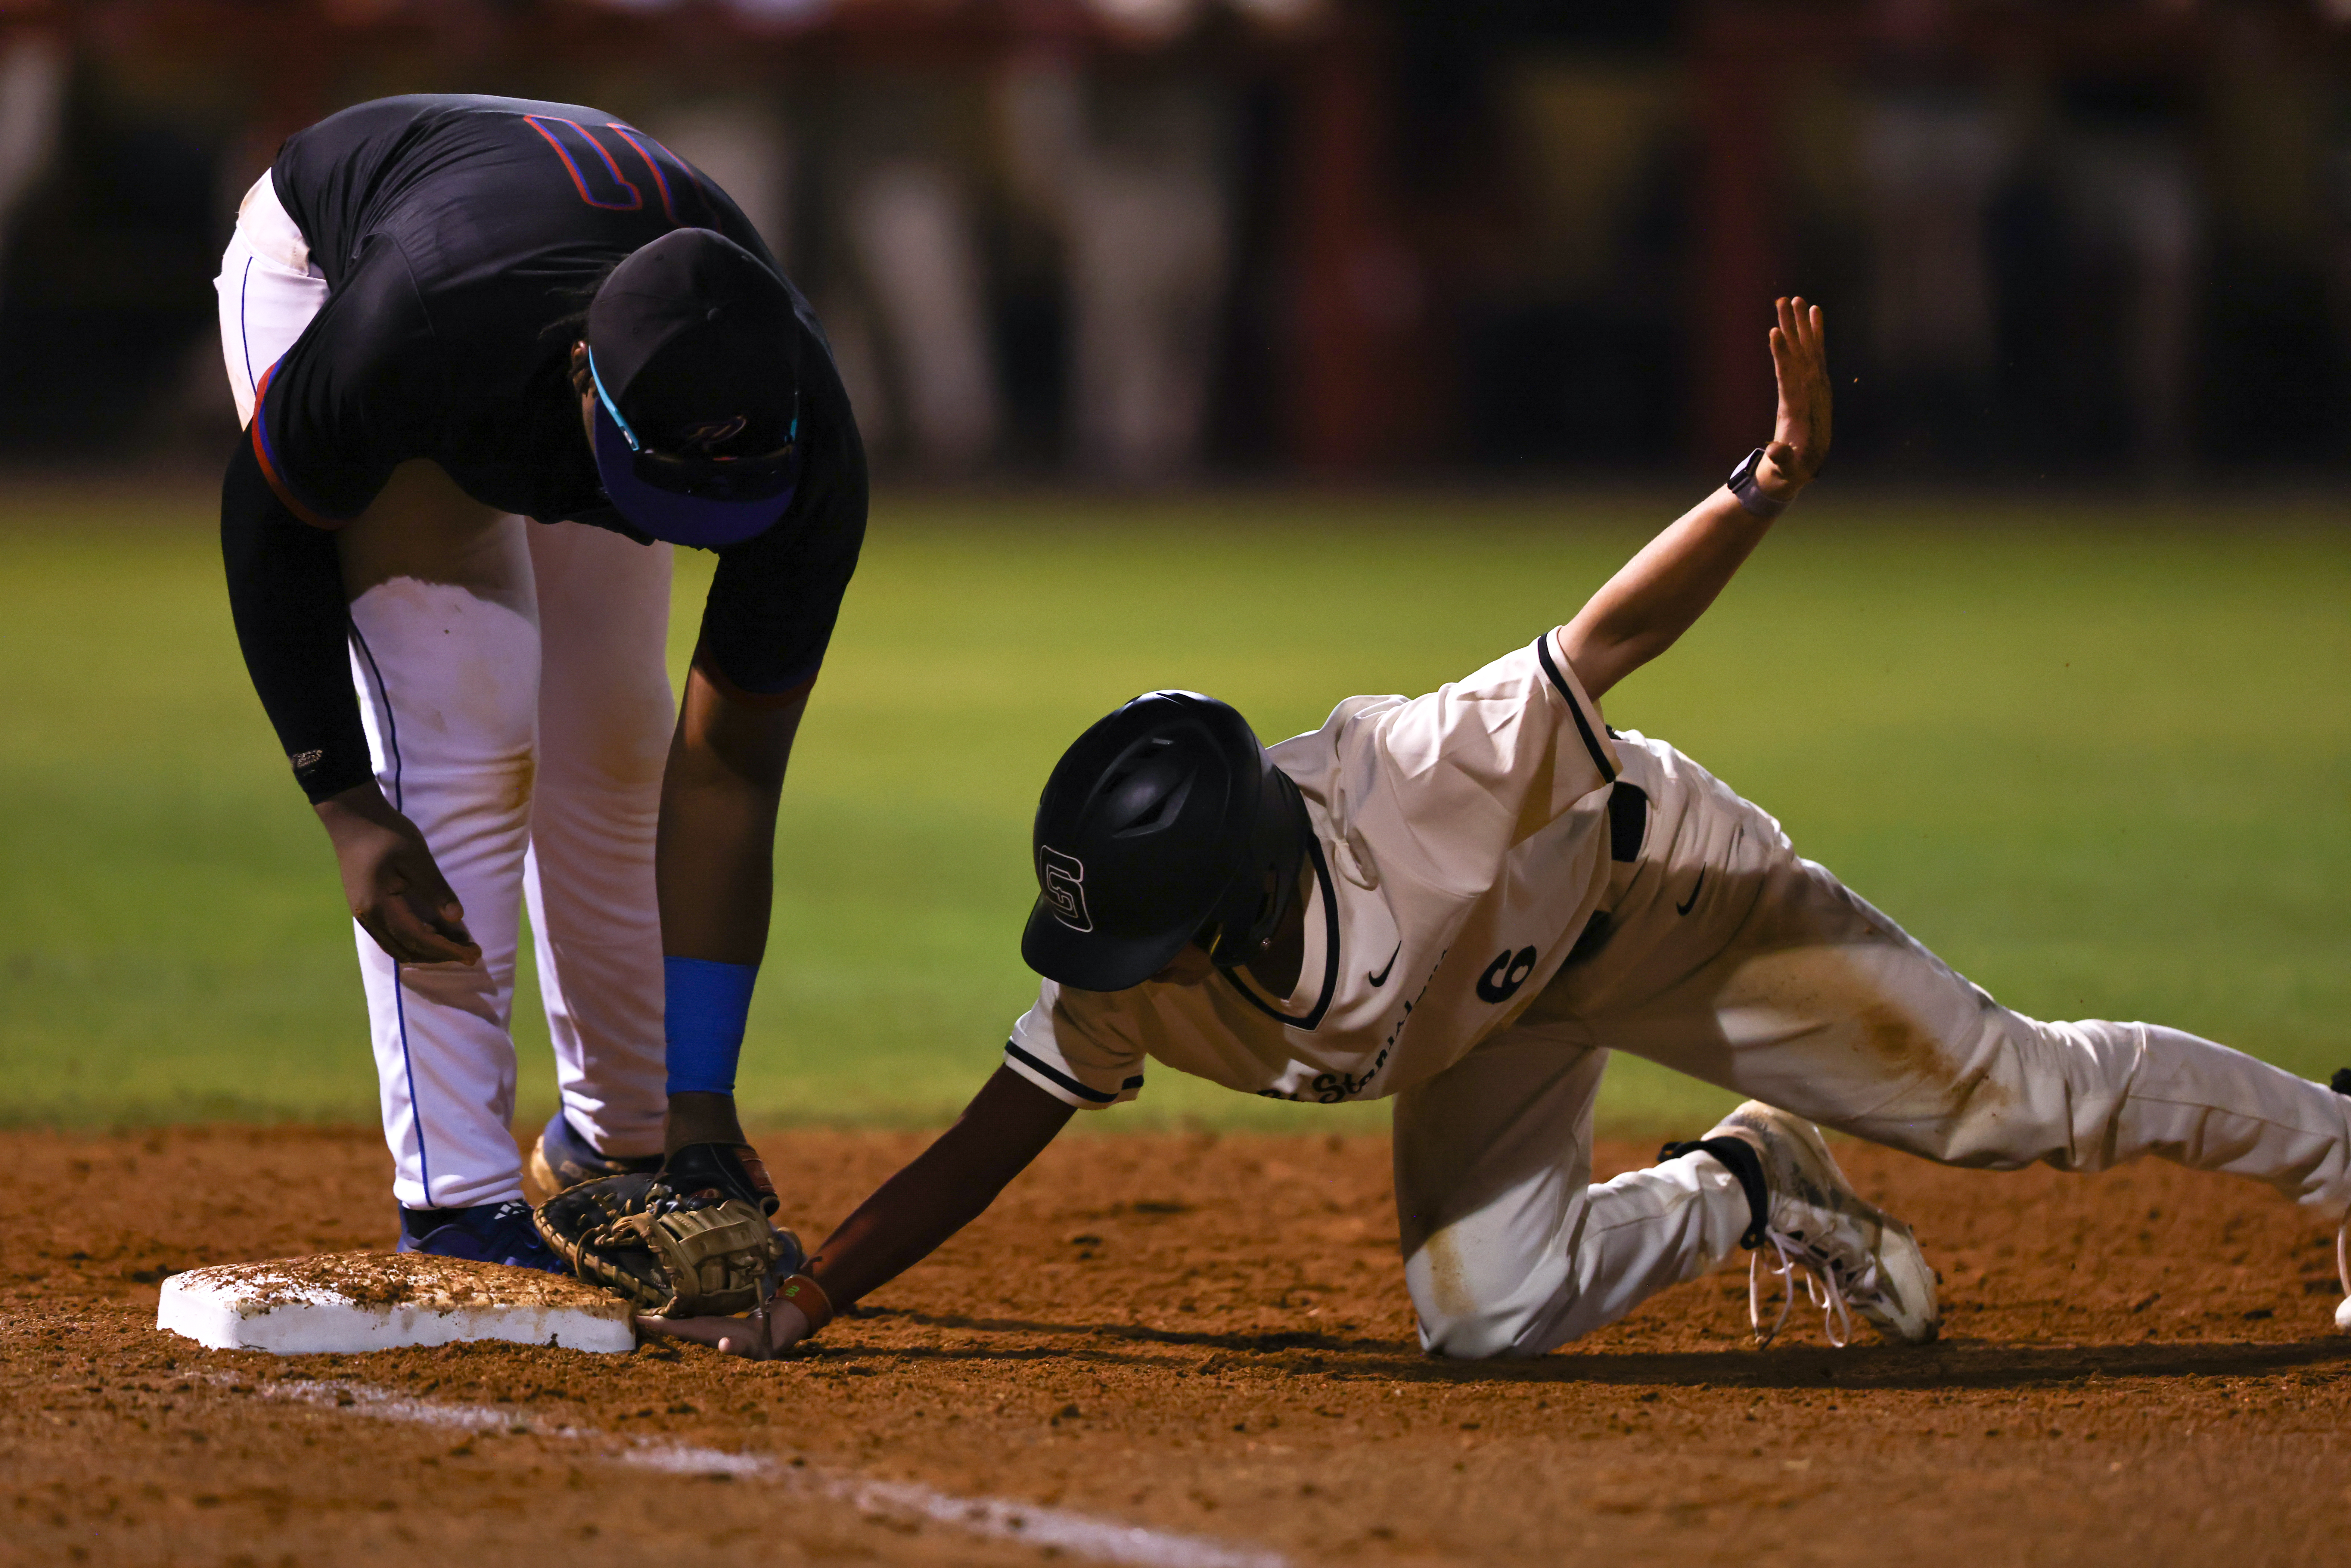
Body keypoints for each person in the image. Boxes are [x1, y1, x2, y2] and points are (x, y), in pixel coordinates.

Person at [652, 297, 2351, 1361]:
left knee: (2013, 1100)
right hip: (1492, 1005)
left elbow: (1606, 635)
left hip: (1666, 901)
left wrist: (1769, 477)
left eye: (1133, 934)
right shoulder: (1143, 967)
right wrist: (807, 1294)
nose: (1113, 972)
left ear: (1225, 887)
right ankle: (1753, 1177)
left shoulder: (1430, 779)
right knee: (1486, 1317)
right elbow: (989, 1136)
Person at [214, 94, 866, 1269]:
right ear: (583, 384)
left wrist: (701, 1111)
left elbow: (728, 775)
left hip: (543, 296)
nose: (669, 528)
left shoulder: (800, 434)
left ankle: (620, 1143)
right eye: (658, 489)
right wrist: (345, 802)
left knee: (619, 737)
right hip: (340, 266)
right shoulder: (411, 337)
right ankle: (457, 1201)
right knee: (466, 709)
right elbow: (267, 518)